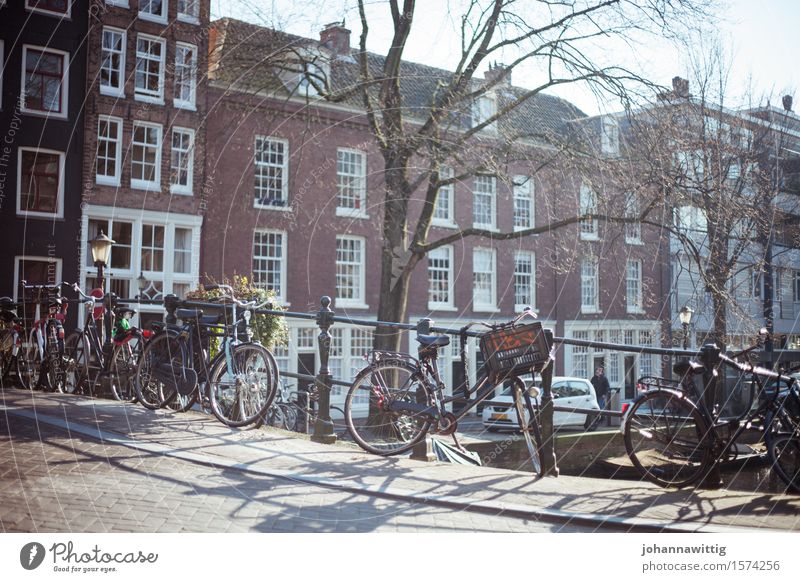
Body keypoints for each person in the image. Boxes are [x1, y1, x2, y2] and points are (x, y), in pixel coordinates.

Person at [585, 366, 611, 431]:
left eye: (599, 370)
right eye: (597, 370)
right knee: (599, 406)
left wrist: (605, 394)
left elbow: (607, 387)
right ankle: (601, 418)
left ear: (602, 372)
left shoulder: (604, 379)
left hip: (601, 395)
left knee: (600, 406)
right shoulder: (594, 378)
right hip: (595, 395)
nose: (598, 372)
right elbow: (591, 385)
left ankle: (601, 418)